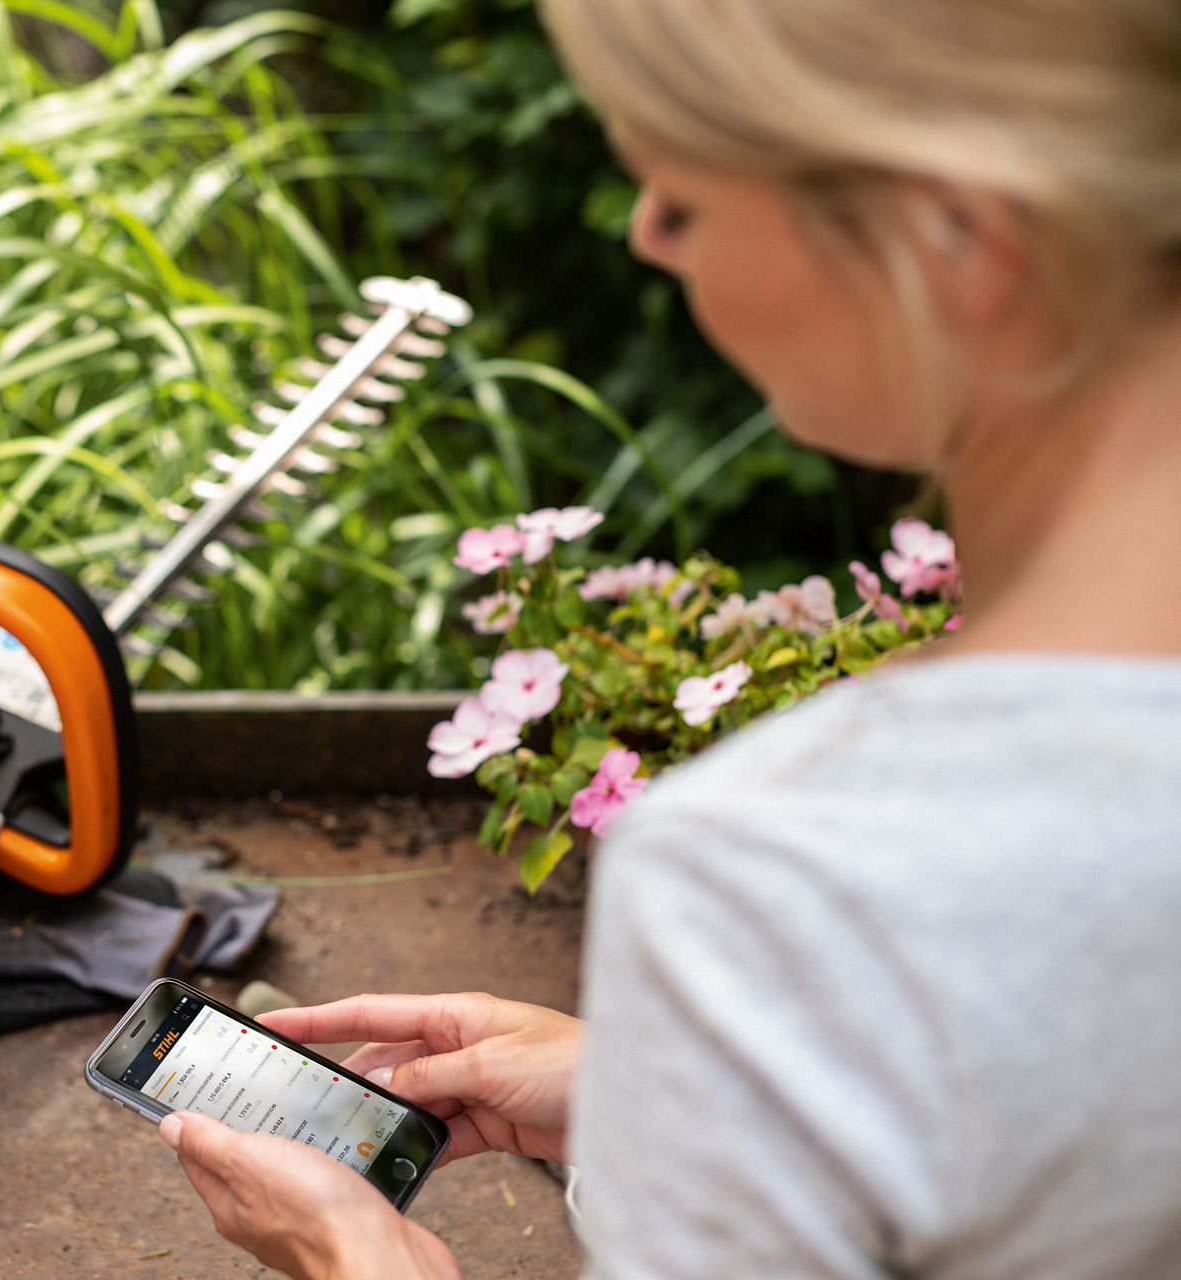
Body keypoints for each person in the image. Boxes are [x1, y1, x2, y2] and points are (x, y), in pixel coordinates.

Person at [156, 0, 1181, 1275]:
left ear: (956, 236)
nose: (647, 234)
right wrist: (702, 1097)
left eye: (683, 198)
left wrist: (363, 1258)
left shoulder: (787, 873)